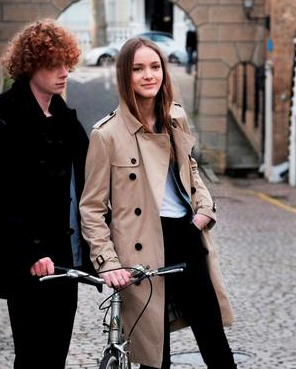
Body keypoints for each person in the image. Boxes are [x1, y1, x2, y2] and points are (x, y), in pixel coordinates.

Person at [79, 37, 237, 369]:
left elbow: (191, 170)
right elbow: (92, 208)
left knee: (215, 343)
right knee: (154, 355)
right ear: (125, 76)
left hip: (185, 235)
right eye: (138, 69)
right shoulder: (106, 135)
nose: (149, 75)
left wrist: (205, 210)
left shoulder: (175, 117)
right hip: (140, 247)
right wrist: (108, 263)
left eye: (155, 67)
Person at [0, 19, 96, 368]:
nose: (64, 72)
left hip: (66, 256)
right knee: (32, 357)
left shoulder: (66, 120)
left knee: (56, 356)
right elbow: (0, 197)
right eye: (53, 64)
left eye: (67, 63)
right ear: (30, 64)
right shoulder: (2, 116)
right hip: (28, 260)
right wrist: (30, 251)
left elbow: (93, 179)